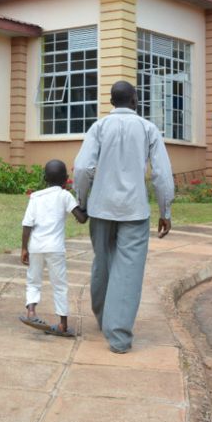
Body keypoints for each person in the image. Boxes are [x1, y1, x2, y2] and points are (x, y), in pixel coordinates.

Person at [74, 80, 174, 353]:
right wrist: (165, 211)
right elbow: (162, 175)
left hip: (100, 208)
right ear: (134, 100)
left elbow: (82, 168)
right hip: (134, 210)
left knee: (103, 263)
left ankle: (103, 317)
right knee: (127, 271)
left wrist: (81, 203)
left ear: (111, 102)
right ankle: (118, 336)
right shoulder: (147, 128)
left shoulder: (99, 127)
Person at [19, 159, 88, 337]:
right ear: (66, 179)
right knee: (59, 285)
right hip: (55, 248)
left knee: (33, 280)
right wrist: (85, 205)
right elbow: (81, 219)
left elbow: (27, 225)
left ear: (44, 178)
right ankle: (62, 325)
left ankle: (31, 312)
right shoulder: (65, 196)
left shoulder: (35, 197)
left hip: (35, 246)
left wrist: (24, 248)